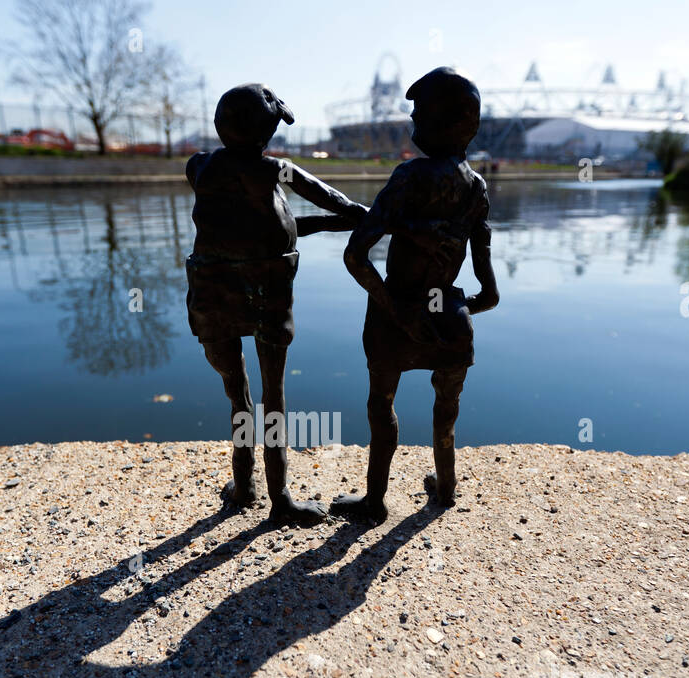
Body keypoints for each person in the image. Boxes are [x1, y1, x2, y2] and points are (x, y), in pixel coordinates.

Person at [186, 83, 366, 526]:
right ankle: (279, 498)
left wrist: (324, 225)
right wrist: (372, 218)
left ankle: (244, 485)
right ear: (265, 134)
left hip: (212, 296)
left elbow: (265, 230)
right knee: (274, 396)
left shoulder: (198, 169)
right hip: (264, 294)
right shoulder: (276, 172)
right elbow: (339, 203)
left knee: (238, 394)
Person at [332, 67, 500, 524]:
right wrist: (455, 304)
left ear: (445, 122)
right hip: (450, 315)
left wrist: (399, 310)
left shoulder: (409, 177)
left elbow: (355, 256)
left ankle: (374, 502)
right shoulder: (477, 188)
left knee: (380, 405)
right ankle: (444, 489)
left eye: (419, 113)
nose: (411, 124)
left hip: (395, 315)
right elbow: (489, 291)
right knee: (446, 412)